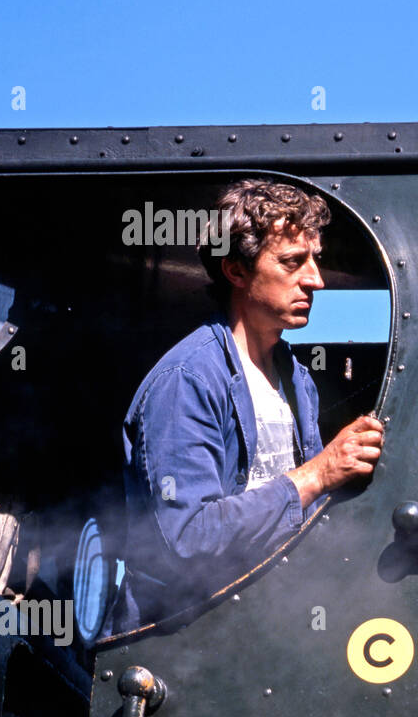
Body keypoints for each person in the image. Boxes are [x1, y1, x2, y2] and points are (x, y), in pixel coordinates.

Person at [104, 179, 383, 635]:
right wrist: (317, 474)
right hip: (184, 638)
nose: (315, 278)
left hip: (260, 626)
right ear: (235, 270)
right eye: (293, 262)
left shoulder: (296, 378)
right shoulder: (187, 382)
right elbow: (190, 535)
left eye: (314, 260)